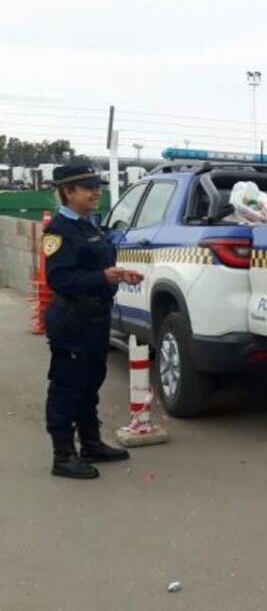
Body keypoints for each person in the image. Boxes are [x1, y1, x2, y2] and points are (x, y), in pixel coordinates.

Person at [42, 165, 144, 479]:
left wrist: (117, 275)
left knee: (89, 382)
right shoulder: (60, 230)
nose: (96, 192)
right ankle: (63, 455)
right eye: (88, 187)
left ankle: (90, 443)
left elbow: (96, 267)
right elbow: (59, 278)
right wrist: (101, 276)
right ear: (68, 192)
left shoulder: (90, 227)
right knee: (66, 386)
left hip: (94, 317)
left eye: (96, 186)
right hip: (72, 319)